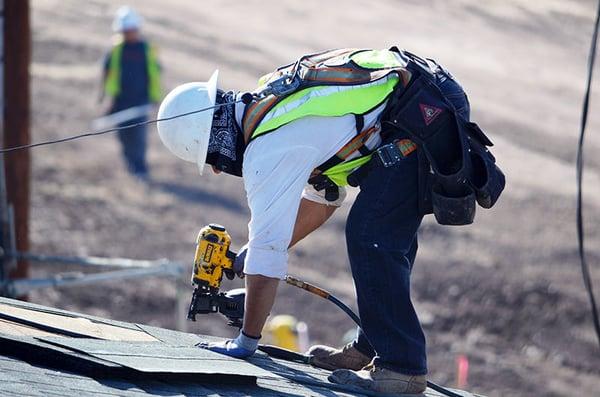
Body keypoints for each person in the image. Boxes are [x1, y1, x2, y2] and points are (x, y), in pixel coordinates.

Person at [156, 47, 504, 395]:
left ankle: (401, 368)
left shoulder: (267, 148)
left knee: (371, 235)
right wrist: (254, 251)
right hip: (423, 100)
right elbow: (324, 198)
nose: (218, 169)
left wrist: (246, 342)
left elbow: (269, 254)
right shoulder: (270, 107)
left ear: (217, 145)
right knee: (381, 233)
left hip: (421, 115)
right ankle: (372, 350)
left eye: (213, 160)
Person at [102, 6, 162, 179]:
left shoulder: (146, 49)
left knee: (138, 136)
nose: (128, 33)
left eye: (131, 30)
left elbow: (155, 74)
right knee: (123, 135)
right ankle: (129, 163)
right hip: (121, 101)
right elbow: (109, 75)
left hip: (140, 101)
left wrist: (154, 97)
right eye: (125, 30)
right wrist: (110, 99)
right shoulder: (116, 50)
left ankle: (140, 167)